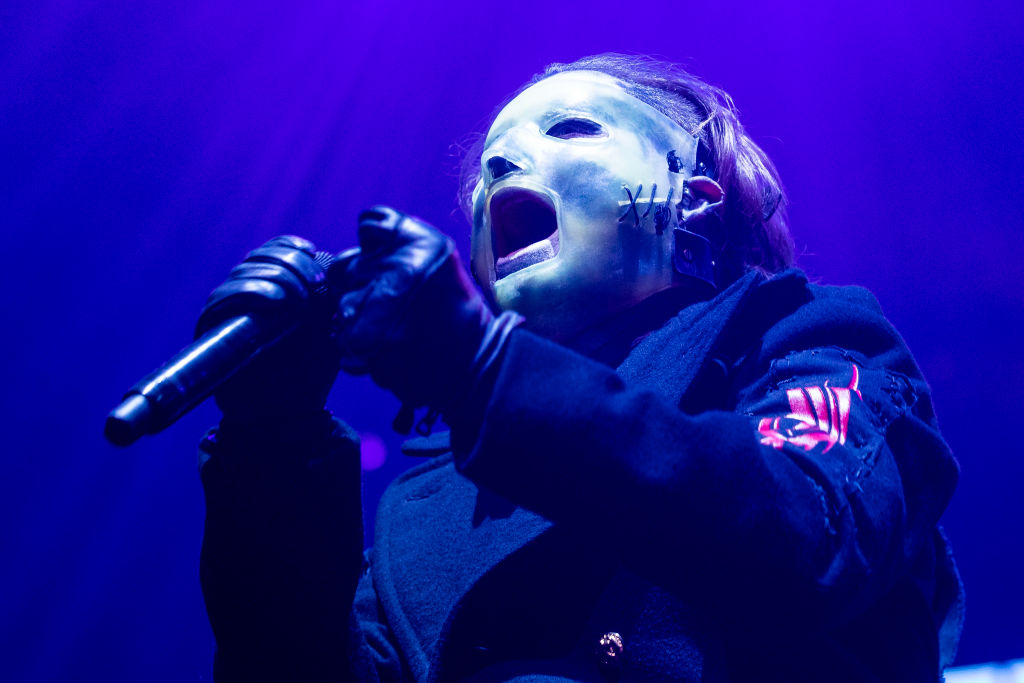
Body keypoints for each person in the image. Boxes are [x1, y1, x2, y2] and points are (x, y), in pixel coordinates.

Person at [195, 54, 964, 682]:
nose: (500, 163)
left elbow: (811, 533)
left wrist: (483, 372)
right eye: (487, 170)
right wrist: (274, 448)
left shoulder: (805, 337)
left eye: (572, 128)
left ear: (692, 201)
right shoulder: (424, 504)